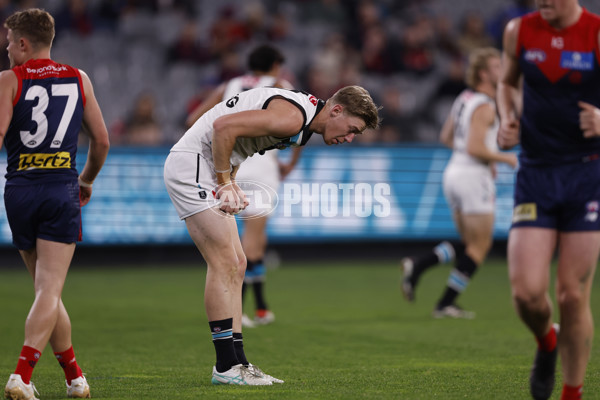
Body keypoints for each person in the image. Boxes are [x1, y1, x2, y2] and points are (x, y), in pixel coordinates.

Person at [164, 85, 379, 385]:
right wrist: (223, 182)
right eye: (352, 129)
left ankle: (237, 363)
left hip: (203, 165)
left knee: (237, 265)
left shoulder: (303, 119)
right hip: (194, 167)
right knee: (224, 263)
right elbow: (223, 126)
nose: (350, 138)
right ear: (337, 110)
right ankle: (226, 366)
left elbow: (238, 137)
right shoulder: (293, 118)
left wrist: (231, 179)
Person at [0, 8, 110, 400]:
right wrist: (87, 181)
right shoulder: (79, 78)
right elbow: (101, 141)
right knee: (49, 289)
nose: (7, 47)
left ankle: (75, 378)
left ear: (24, 43)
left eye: (10, 41)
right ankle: (21, 375)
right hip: (61, 188)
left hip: (20, 190)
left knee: (45, 290)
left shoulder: (9, 80)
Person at [497, 1, 600, 399]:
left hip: (586, 173)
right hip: (536, 172)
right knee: (526, 292)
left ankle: (571, 394)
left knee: (572, 295)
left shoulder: (594, 32)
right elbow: (507, 83)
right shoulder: (518, 31)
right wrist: (507, 116)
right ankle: (546, 342)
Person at [186, 43, 301, 329]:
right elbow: (300, 125)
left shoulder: (230, 84)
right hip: (261, 162)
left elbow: (193, 119)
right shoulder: (279, 84)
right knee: (254, 239)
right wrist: (291, 163)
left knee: (240, 240)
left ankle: (261, 308)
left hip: (227, 161)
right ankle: (243, 309)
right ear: (275, 65)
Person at [400, 47, 518, 319]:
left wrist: (472, 157)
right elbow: (476, 146)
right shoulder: (486, 106)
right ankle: (444, 304)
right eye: (496, 66)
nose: (501, 69)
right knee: (481, 246)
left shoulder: (463, 99)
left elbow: (446, 136)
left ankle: (419, 265)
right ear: (484, 73)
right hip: (473, 177)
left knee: (468, 243)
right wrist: (503, 159)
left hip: (453, 172)